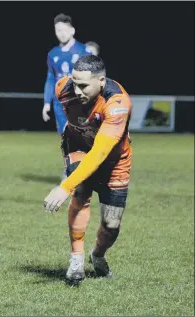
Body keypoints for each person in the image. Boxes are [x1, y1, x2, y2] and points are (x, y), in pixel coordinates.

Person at [43, 55, 133, 286]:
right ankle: (76, 259)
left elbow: (101, 152)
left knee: (111, 225)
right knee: (81, 193)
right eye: (75, 82)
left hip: (114, 161)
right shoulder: (63, 87)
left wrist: (64, 186)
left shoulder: (117, 104)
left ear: (101, 81)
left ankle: (98, 254)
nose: (77, 89)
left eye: (83, 85)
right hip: (78, 147)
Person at [42, 13, 91, 179]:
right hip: (59, 105)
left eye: (64, 30)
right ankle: (70, 171)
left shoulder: (83, 51)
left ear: (72, 30)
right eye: (57, 30)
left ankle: (83, 171)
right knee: (66, 139)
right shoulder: (53, 54)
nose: (61, 33)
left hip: (79, 103)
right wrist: (46, 103)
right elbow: (50, 78)